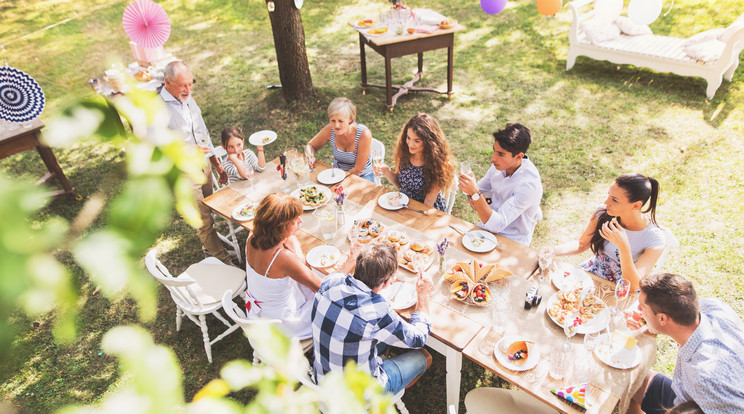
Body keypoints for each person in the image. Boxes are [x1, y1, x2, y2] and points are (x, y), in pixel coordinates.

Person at [311, 243, 434, 394]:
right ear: (389, 281)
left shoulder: (330, 282)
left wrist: (351, 258)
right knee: (423, 357)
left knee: (380, 338)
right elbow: (418, 339)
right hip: (355, 398)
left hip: (322, 382)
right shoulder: (377, 311)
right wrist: (423, 294)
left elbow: (339, 276)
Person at [626, 273, 744, 414]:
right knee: (632, 379)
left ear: (663, 318)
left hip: (690, 406)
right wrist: (650, 322)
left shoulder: (704, 377)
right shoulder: (714, 307)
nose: (638, 309)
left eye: (642, 307)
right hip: (689, 398)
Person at [244, 193, 357, 339]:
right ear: (281, 226)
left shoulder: (253, 236)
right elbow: (326, 289)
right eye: (295, 220)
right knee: (340, 301)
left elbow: (291, 241)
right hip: (285, 324)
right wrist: (352, 259)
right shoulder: (282, 258)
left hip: (263, 311)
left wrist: (293, 244)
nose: (301, 221)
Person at [159, 60, 232, 265]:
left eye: (191, 84)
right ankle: (224, 262)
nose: (188, 89)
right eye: (183, 85)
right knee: (204, 221)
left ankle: (209, 249)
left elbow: (203, 133)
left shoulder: (189, 99)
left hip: (204, 166)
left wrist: (216, 163)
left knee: (211, 208)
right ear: (167, 82)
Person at [544, 173, 666, 290]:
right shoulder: (603, 213)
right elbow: (582, 244)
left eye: (614, 200)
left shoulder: (655, 239)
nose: (606, 202)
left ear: (635, 206)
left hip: (620, 289)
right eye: (608, 195)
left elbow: (634, 285)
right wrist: (554, 250)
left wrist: (623, 246)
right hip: (590, 274)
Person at [457, 123, 543, 246]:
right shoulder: (499, 166)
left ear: (519, 156)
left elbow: (497, 223)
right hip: (488, 229)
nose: (493, 158)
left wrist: (475, 194)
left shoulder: (528, 185)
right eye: (494, 151)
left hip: (513, 240)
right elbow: (478, 191)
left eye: (501, 154)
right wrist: (473, 193)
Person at [374, 113, 455, 212]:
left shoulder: (437, 165)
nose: (410, 144)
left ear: (429, 142)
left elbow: (427, 204)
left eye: (417, 141)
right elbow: (401, 185)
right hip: (404, 204)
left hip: (426, 211)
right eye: (408, 138)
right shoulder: (405, 154)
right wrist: (386, 171)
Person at [305, 97, 375, 182]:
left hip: (362, 176)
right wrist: (310, 156)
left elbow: (358, 169)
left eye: (340, 121)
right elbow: (311, 145)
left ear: (350, 119)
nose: (336, 125)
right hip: (337, 173)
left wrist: (338, 180)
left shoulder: (364, 134)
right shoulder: (330, 130)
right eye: (333, 120)